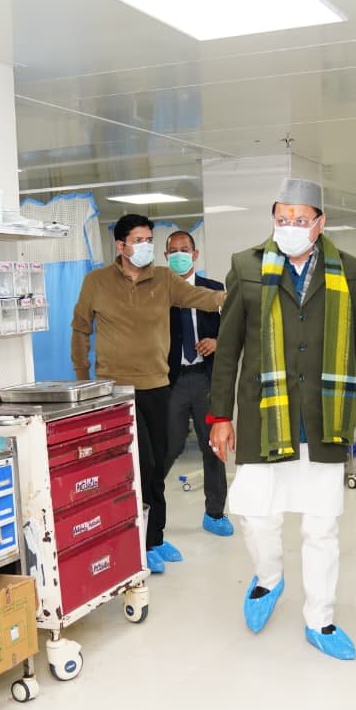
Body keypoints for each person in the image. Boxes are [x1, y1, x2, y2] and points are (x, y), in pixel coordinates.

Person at [208, 178, 356, 661]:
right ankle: (269, 578)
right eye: (282, 219)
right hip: (264, 413)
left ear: (320, 222)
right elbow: (228, 348)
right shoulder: (245, 266)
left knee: (321, 526)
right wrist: (220, 414)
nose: (289, 226)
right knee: (255, 514)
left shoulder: (347, 269)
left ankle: (320, 618)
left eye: (300, 219)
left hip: (324, 415)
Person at [70, 213, 225, 575]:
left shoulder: (164, 279)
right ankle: (138, 541)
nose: (145, 247)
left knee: (156, 468)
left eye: (149, 240)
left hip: (157, 386)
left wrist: (231, 297)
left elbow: (200, 297)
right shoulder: (96, 282)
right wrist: (82, 378)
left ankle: (155, 537)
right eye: (138, 241)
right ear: (120, 245)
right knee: (136, 467)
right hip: (116, 391)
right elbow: (80, 328)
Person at [161, 229, 233, 538]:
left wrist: (217, 341)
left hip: (206, 378)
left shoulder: (214, 289)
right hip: (173, 380)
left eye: (185, 249)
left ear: (195, 254)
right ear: (166, 257)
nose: (179, 254)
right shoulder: (160, 291)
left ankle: (214, 513)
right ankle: (146, 507)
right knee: (169, 445)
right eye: (173, 250)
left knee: (212, 445)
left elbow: (233, 329)